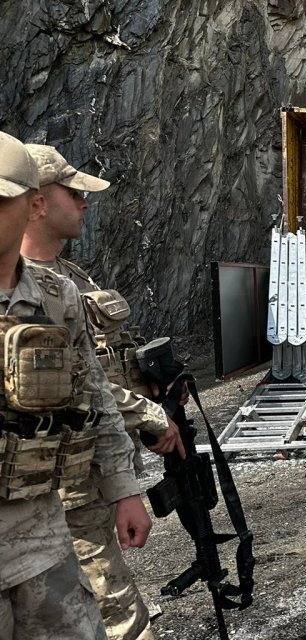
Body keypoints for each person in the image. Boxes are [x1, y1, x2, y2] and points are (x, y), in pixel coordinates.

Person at [21, 144, 183, 640]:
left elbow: (98, 368)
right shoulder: (27, 293)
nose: (85, 203)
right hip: (59, 480)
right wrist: (149, 412)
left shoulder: (68, 281)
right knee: (113, 611)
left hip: (94, 465)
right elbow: (78, 386)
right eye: (74, 193)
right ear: (37, 202)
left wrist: (147, 376)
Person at [0, 131, 151, 639]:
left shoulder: (56, 293)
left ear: (32, 204)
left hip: (40, 528)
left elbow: (95, 394)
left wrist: (123, 488)